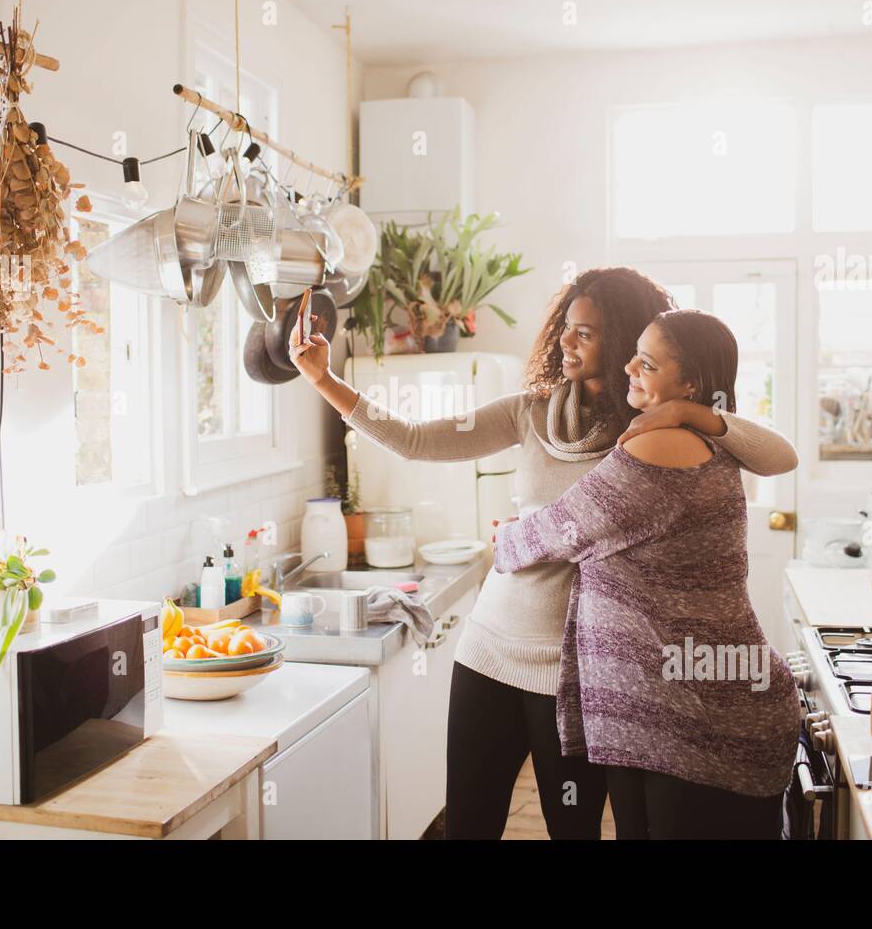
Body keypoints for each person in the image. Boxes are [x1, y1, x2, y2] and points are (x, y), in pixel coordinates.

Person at [289, 269, 797, 839]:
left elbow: (778, 456)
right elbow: (415, 439)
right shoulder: (531, 411)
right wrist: (324, 379)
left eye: (587, 333)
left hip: (577, 672)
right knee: (469, 823)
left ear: (630, 341)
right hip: (489, 648)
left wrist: (694, 413)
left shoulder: (654, 428)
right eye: (566, 328)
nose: (566, 342)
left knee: (571, 827)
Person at [492, 309, 801, 839]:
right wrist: (689, 410)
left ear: (689, 382)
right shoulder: (702, 437)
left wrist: (503, 538)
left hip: (695, 713)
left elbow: (558, 531)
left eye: (648, 362)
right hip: (688, 704)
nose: (629, 366)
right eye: (635, 351)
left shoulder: (658, 446)